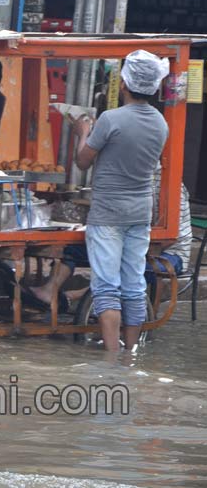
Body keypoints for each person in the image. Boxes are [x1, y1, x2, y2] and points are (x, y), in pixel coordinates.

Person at [72, 49, 169, 352]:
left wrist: (82, 132)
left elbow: (83, 161)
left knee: (106, 287)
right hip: (140, 213)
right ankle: (130, 354)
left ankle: (113, 358)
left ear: (125, 84)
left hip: (108, 214)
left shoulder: (110, 119)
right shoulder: (160, 124)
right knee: (134, 286)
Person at [27, 179, 191, 313]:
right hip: (130, 244)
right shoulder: (129, 182)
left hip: (170, 254)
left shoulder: (171, 187)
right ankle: (50, 289)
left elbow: (171, 237)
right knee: (72, 250)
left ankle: (78, 297)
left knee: (127, 268)